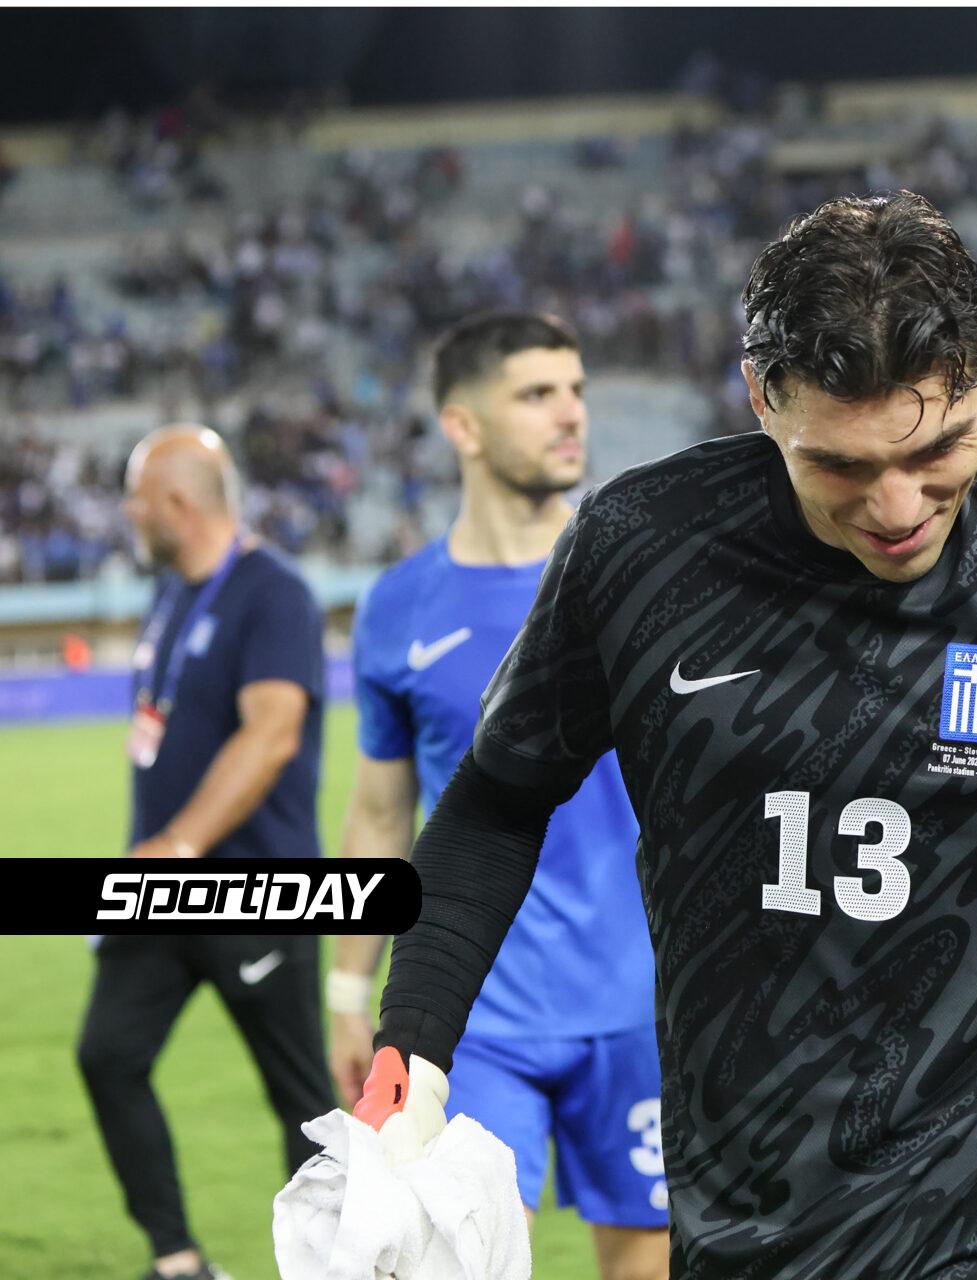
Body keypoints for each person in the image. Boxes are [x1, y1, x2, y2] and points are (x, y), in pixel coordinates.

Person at [350, 191, 977, 1278]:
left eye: (936, 448)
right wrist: (412, 1052)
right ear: (761, 395)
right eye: (841, 464)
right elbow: (497, 799)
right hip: (738, 1230)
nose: (897, 506)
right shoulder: (644, 549)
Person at [329, 311, 669, 1279]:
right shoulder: (399, 606)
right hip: (474, 1016)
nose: (570, 414)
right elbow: (380, 812)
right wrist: (350, 990)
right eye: (536, 394)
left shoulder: (641, 575)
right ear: (463, 425)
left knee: (650, 1267)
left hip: (641, 1001)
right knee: (459, 1263)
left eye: (576, 390)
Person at [80, 425, 331, 1280]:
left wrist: (182, 842)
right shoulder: (170, 592)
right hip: (161, 887)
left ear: (179, 503)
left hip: (258, 888)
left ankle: (331, 1268)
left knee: (301, 1105)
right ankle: (178, 1262)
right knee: (108, 1055)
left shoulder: (274, 595)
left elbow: (272, 734)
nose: (127, 513)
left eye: (137, 497)